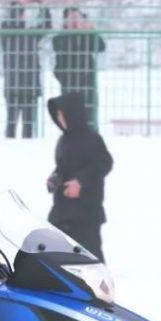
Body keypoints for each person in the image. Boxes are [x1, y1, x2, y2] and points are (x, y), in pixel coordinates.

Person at [45, 92, 113, 261]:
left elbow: (104, 163)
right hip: (62, 210)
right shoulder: (63, 140)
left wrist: (80, 182)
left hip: (86, 211)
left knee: (90, 257)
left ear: (73, 115)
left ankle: (97, 287)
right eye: (58, 116)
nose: (60, 120)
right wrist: (55, 177)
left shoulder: (92, 139)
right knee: (55, 254)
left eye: (63, 116)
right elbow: (63, 167)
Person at [1, 0, 52, 138]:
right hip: (13, 85)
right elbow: (8, 22)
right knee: (11, 124)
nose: (18, 16)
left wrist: (43, 8)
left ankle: (27, 152)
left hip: (29, 86)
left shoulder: (30, 33)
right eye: (15, 13)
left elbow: (47, 26)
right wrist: (19, 4)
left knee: (28, 125)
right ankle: (10, 151)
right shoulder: (7, 32)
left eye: (20, 12)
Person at [52, 7, 106, 129]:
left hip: (87, 81)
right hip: (68, 81)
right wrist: (70, 31)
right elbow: (60, 48)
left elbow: (101, 47)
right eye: (71, 18)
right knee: (69, 116)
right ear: (65, 21)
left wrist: (91, 32)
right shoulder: (59, 38)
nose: (74, 21)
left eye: (77, 17)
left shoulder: (87, 36)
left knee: (89, 114)